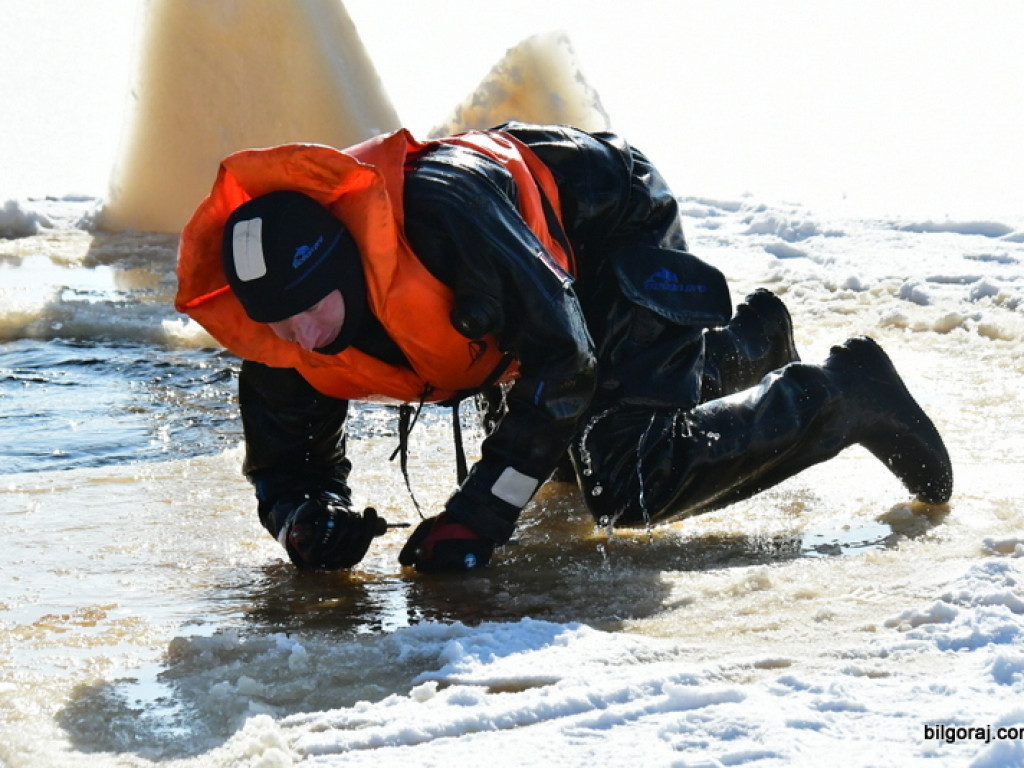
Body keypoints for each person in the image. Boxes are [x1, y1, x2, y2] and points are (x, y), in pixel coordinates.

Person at [176, 122, 953, 574]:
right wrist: (309, 520)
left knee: (623, 485)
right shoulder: (287, 324)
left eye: (311, 311)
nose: (302, 339)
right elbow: (286, 466)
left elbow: (563, 363)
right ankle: (747, 346)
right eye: (279, 327)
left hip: (608, 225)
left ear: (349, 264)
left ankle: (843, 393)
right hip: (538, 298)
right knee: (558, 476)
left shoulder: (446, 226)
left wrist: (477, 518)